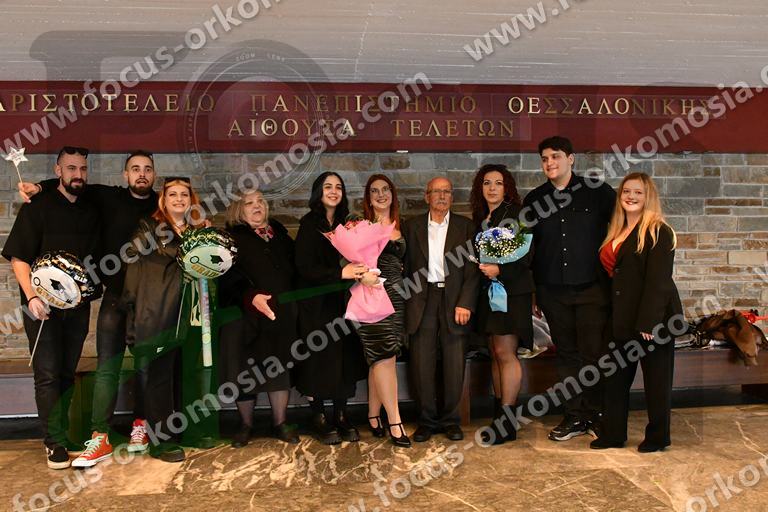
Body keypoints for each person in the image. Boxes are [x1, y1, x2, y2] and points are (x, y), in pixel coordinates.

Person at [20, 150, 158, 467]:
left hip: (151, 301)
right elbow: (69, 182)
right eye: (135, 168)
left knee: (147, 366)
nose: (141, 174)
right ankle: (99, 436)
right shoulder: (108, 197)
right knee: (106, 367)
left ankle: (141, 427)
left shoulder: (163, 203)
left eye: (147, 169)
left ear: (154, 174)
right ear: (125, 175)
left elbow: (184, 211)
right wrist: (38, 187)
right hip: (114, 297)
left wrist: (201, 220)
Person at [2, 146, 101, 469]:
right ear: (58, 171)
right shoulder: (38, 206)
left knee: (66, 373)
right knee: (46, 374)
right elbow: (19, 258)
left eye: (82, 168)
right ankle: (53, 442)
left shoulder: (90, 206)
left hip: (76, 306)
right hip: (41, 306)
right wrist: (32, 297)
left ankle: (63, 433)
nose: (78, 174)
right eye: (71, 168)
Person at [522, 135, 616, 442]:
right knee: (566, 355)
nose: (550, 163)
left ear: (571, 159)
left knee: (594, 354)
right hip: (552, 290)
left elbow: (620, 231)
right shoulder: (534, 199)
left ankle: (597, 415)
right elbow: (528, 248)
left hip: (593, 289)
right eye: (545, 159)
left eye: (556, 156)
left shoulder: (598, 192)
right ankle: (574, 416)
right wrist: (533, 291)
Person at [591, 173, 682, 452]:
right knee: (613, 378)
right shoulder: (616, 230)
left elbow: (659, 282)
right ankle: (613, 434)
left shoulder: (658, 231)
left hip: (652, 320)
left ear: (648, 197)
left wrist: (648, 323)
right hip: (620, 318)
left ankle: (658, 437)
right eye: (626, 191)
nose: (631, 196)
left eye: (638, 192)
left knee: (657, 382)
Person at [120, 177, 210, 462]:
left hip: (191, 310)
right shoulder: (149, 227)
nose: (179, 199)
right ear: (163, 200)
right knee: (160, 375)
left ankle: (187, 431)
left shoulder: (198, 229)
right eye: (173, 194)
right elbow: (135, 259)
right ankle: (161, 441)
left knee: (187, 372)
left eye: (184, 194)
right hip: (159, 310)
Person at [219, 190, 300, 447]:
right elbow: (226, 276)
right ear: (238, 210)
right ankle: (246, 424)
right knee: (244, 370)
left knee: (279, 368)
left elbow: (297, 268)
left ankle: (280, 422)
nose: (257, 206)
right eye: (249, 203)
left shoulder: (280, 235)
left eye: (260, 202)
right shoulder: (230, 239)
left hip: (278, 314)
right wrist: (250, 295)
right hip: (243, 316)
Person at [404, 177, 480, 443]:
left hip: (454, 300)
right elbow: (405, 268)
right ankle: (426, 421)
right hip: (421, 300)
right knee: (421, 363)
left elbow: (473, 269)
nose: (442, 196)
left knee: (454, 362)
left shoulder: (466, 227)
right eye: (437, 192)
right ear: (427, 196)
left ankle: (450, 420)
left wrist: (466, 302)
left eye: (447, 191)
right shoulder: (411, 226)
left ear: (452, 197)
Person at [293, 172, 367, 445]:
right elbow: (304, 267)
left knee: (344, 360)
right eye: (328, 187)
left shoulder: (349, 223)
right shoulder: (308, 224)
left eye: (338, 187)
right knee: (319, 361)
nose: (334, 191)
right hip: (316, 304)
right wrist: (339, 273)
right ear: (318, 192)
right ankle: (319, 416)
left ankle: (341, 414)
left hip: (345, 302)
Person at [469, 164, 534, 445]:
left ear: (507, 187)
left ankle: (508, 422)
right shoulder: (482, 217)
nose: (492, 188)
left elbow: (527, 255)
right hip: (490, 293)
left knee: (506, 353)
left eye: (498, 183)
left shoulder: (517, 214)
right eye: (487, 183)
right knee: (495, 353)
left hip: (512, 293)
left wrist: (500, 270)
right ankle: (500, 418)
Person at [357, 174, 410, 447]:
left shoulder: (403, 226)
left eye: (385, 189)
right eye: (374, 191)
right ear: (368, 198)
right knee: (384, 355)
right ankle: (395, 422)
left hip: (398, 298)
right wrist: (361, 274)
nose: (381, 195)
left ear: (392, 194)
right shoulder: (360, 226)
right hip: (372, 296)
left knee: (381, 357)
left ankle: (372, 414)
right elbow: (348, 261)